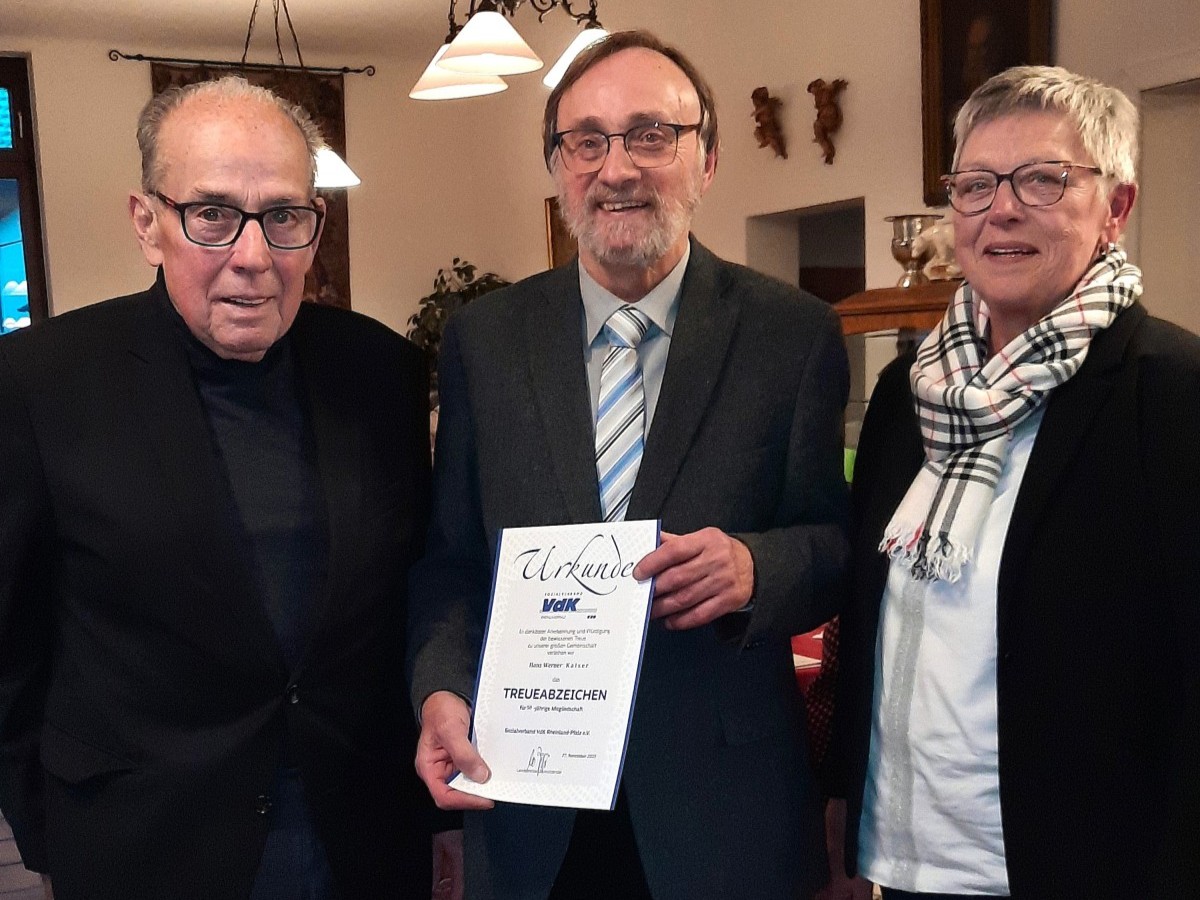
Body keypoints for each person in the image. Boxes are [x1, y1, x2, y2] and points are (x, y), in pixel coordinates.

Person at [407, 30, 851, 900]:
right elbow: (452, 561)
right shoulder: (484, 344)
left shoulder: (791, 335)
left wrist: (759, 568)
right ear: (557, 164)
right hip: (528, 804)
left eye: (652, 134)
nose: (618, 168)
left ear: (708, 158)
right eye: (587, 140)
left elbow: (839, 544)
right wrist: (439, 691)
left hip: (724, 816)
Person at [0, 76, 440, 899]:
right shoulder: (41, 384)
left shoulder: (380, 370)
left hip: (359, 831)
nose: (252, 256)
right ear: (148, 223)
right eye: (211, 215)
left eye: (283, 217)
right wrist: (53, 826)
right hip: (146, 842)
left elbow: (414, 590)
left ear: (314, 227)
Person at [823, 65, 1200, 900]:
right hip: (910, 858)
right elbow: (869, 618)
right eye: (976, 184)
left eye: (1043, 180)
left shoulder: (1169, 391)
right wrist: (845, 809)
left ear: (1117, 209)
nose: (1002, 209)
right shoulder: (909, 392)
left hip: (1085, 863)